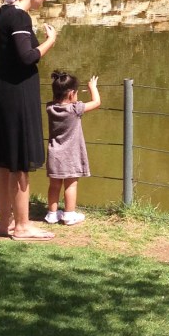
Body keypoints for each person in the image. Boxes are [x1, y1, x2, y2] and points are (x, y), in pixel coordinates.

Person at [0, 0, 58, 239]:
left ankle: (4, 223)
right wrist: (50, 41)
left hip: (1, 90)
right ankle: (22, 225)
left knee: (4, 161)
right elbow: (27, 56)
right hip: (17, 93)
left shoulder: (1, 13)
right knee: (19, 161)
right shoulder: (19, 17)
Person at [45, 71, 100, 225]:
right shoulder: (75, 109)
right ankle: (69, 214)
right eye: (76, 92)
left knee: (54, 185)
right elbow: (96, 102)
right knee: (71, 184)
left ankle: (52, 214)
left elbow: (57, 101)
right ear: (71, 94)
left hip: (54, 154)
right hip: (71, 155)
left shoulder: (50, 108)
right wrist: (93, 87)